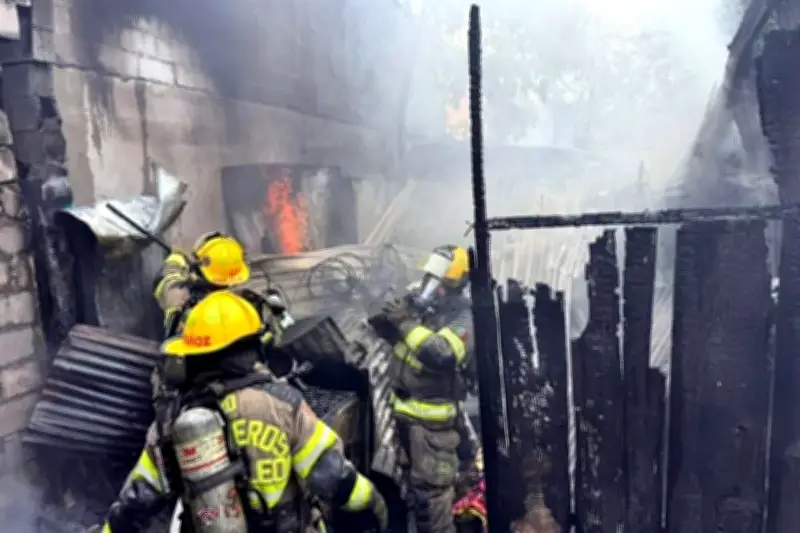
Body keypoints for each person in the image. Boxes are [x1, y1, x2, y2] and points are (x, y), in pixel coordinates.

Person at [88, 290, 388, 533]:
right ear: (252, 346)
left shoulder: (172, 420)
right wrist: (374, 507)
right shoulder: (282, 404)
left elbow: (138, 500)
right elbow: (331, 475)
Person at [369, 244, 477, 533]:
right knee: (413, 503)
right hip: (406, 426)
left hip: (432, 431)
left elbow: (441, 353)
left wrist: (405, 322)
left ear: (456, 285)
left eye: (439, 282)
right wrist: (397, 310)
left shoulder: (464, 319)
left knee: (432, 508)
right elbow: (381, 328)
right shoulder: (425, 312)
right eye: (430, 278)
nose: (432, 287)